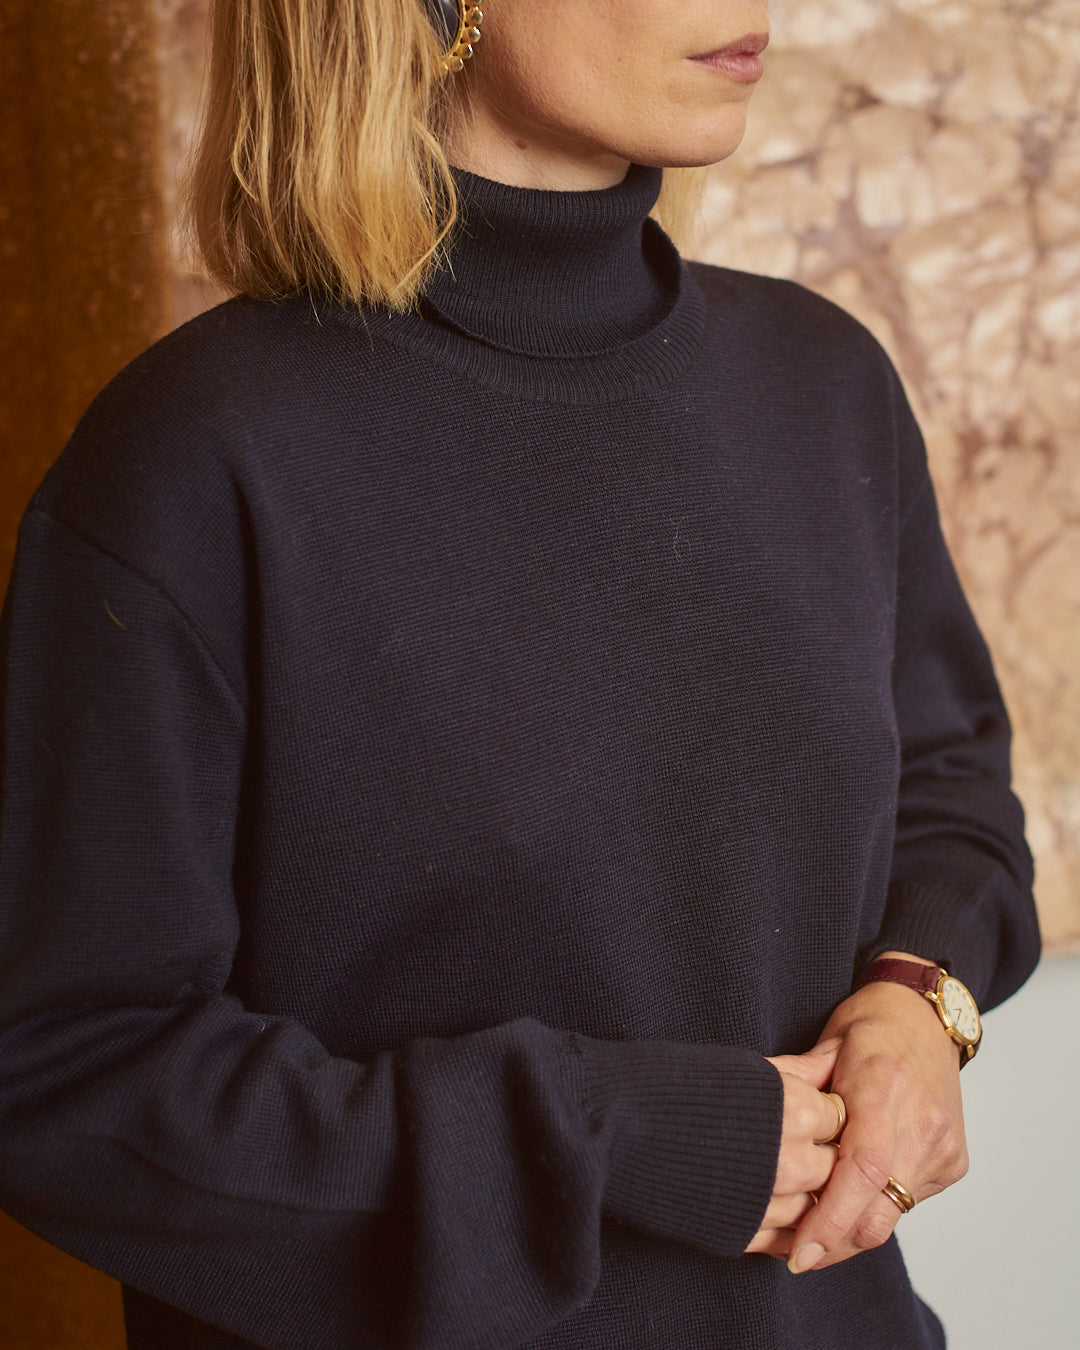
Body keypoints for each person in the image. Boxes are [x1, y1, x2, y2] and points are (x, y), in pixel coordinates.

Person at [0, 1, 1040, 1347]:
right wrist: (608, 1140)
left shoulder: (824, 384)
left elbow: (951, 790)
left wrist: (920, 994)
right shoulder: (195, 458)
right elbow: (68, 1073)